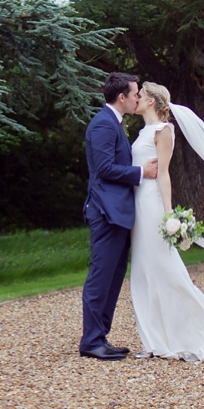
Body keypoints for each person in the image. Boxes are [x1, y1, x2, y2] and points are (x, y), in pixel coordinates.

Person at [126, 81, 204, 360]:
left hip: (151, 205)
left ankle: (197, 333)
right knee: (143, 271)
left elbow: (163, 174)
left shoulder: (164, 130)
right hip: (137, 204)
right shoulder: (142, 132)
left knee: (165, 269)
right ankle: (155, 341)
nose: (136, 98)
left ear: (152, 102)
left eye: (141, 95)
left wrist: (168, 214)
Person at [79, 72, 158, 360]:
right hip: (105, 212)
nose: (139, 98)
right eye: (135, 93)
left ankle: (100, 337)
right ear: (122, 97)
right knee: (101, 276)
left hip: (119, 213)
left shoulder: (115, 124)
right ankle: (91, 340)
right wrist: (141, 173)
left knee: (113, 277)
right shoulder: (102, 124)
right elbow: (104, 170)